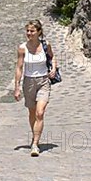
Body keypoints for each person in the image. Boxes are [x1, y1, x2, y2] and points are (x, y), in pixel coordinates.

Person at [14, 19, 57, 157]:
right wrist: (17, 87)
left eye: (32, 31)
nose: (29, 33)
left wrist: (54, 69)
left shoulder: (45, 45)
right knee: (32, 113)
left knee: (40, 113)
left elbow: (52, 56)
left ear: (38, 32)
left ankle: (35, 144)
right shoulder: (22, 48)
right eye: (27, 31)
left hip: (44, 81)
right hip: (28, 82)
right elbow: (19, 68)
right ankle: (35, 135)